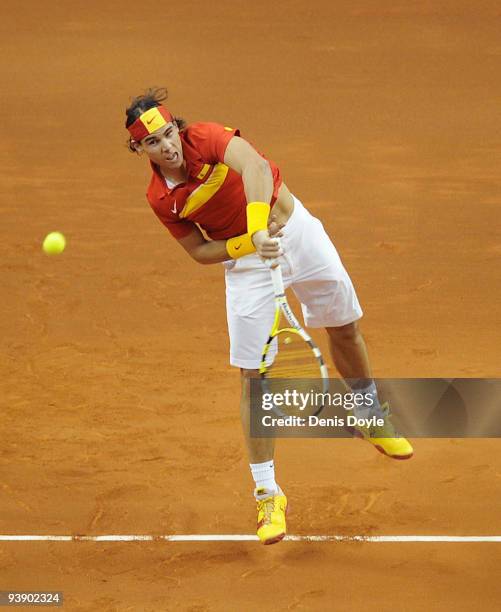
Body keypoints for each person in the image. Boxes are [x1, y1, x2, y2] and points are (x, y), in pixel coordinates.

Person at [124, 88, 413, 545]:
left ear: (177, 127)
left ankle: (367, 413)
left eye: (168, 133)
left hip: (294, 231)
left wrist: (258, 227)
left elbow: (256, 167)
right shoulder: (161, 199)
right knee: (254, 377)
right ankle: (267, 493)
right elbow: (199, 250)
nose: (168, 145)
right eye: (154, 142)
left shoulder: (206, 137)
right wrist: (246, 245)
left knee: (344, 326)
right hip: (247, 266)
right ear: (139, 150)